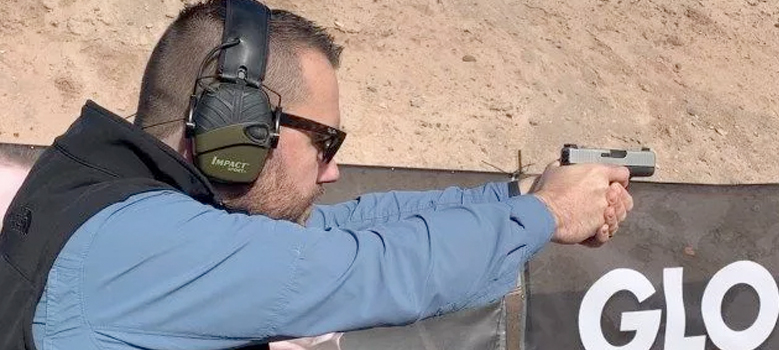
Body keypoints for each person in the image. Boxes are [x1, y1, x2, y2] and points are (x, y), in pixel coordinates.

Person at [0, 0, 635, 349]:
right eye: (324, 140)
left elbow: (335, 232)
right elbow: (373, 268)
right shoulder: (147, 246)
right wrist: (547, 214)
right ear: (239, 126)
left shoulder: (113, 203)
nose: (333, 170)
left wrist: (516, 198)